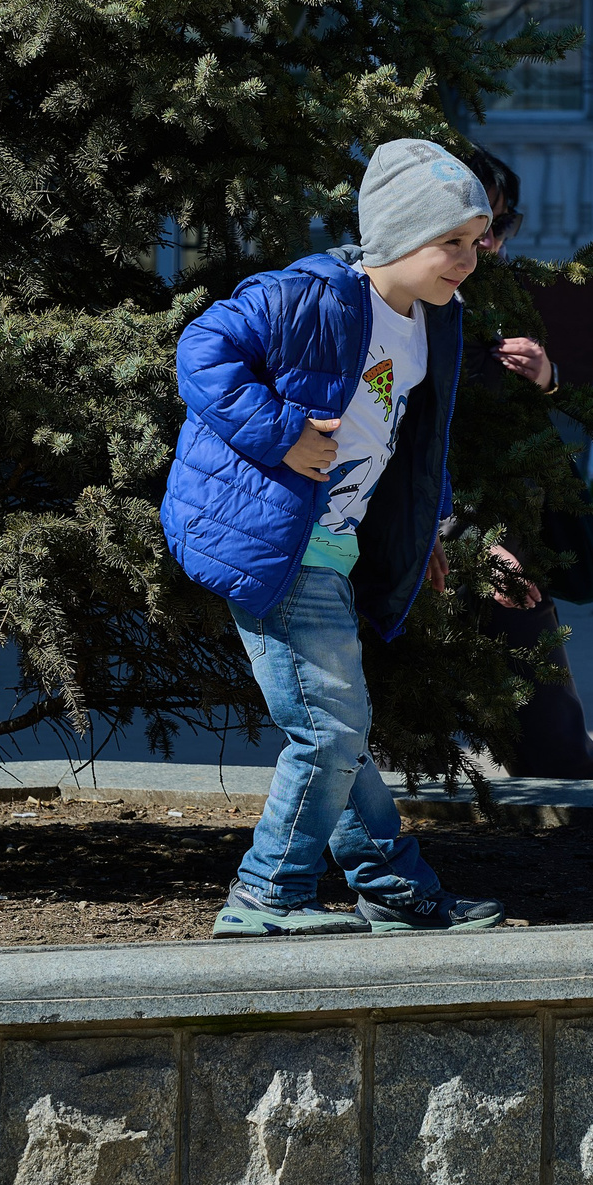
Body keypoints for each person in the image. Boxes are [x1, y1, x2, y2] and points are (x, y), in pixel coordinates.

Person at [164, 139, 506, 936]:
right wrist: (283, 433)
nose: (468, 258)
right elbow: (199, 350)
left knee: (336, 726)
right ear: (394, 237)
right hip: (279, 545)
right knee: (329, 729)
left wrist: (432, 534)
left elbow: (412, 440)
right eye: (449, 241)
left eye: (475, 240)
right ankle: (264, 896)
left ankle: (392, 887)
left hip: (333, 543)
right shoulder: (312, 297)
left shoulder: (433, 320)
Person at [458, 145, 593, 781]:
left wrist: (547, 377)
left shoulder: (499, 292)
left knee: (553, 735)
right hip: (450, 538)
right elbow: (402, 442)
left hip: (512, 530)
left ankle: (574, 829)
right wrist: (473, 542)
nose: (489, 243)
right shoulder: (399, 308)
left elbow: (545, 404)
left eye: (500, 226)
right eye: (476, 227)